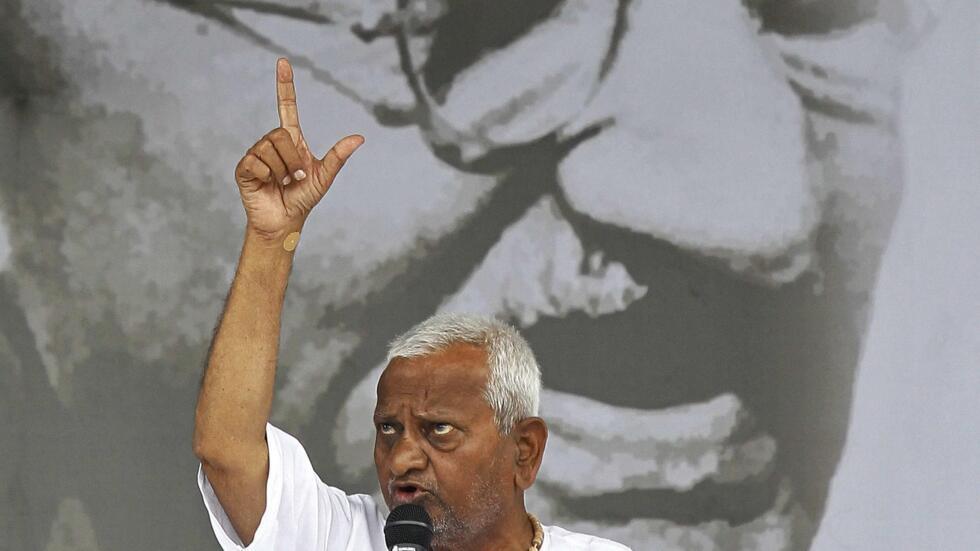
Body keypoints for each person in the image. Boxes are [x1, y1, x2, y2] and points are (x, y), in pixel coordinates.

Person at [192, 57, 631, 551]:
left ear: (524, 451)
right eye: (388, 429)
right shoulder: (341, 536)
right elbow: (226, 450)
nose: (401, 459)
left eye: (438, 429)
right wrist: (271, 237)